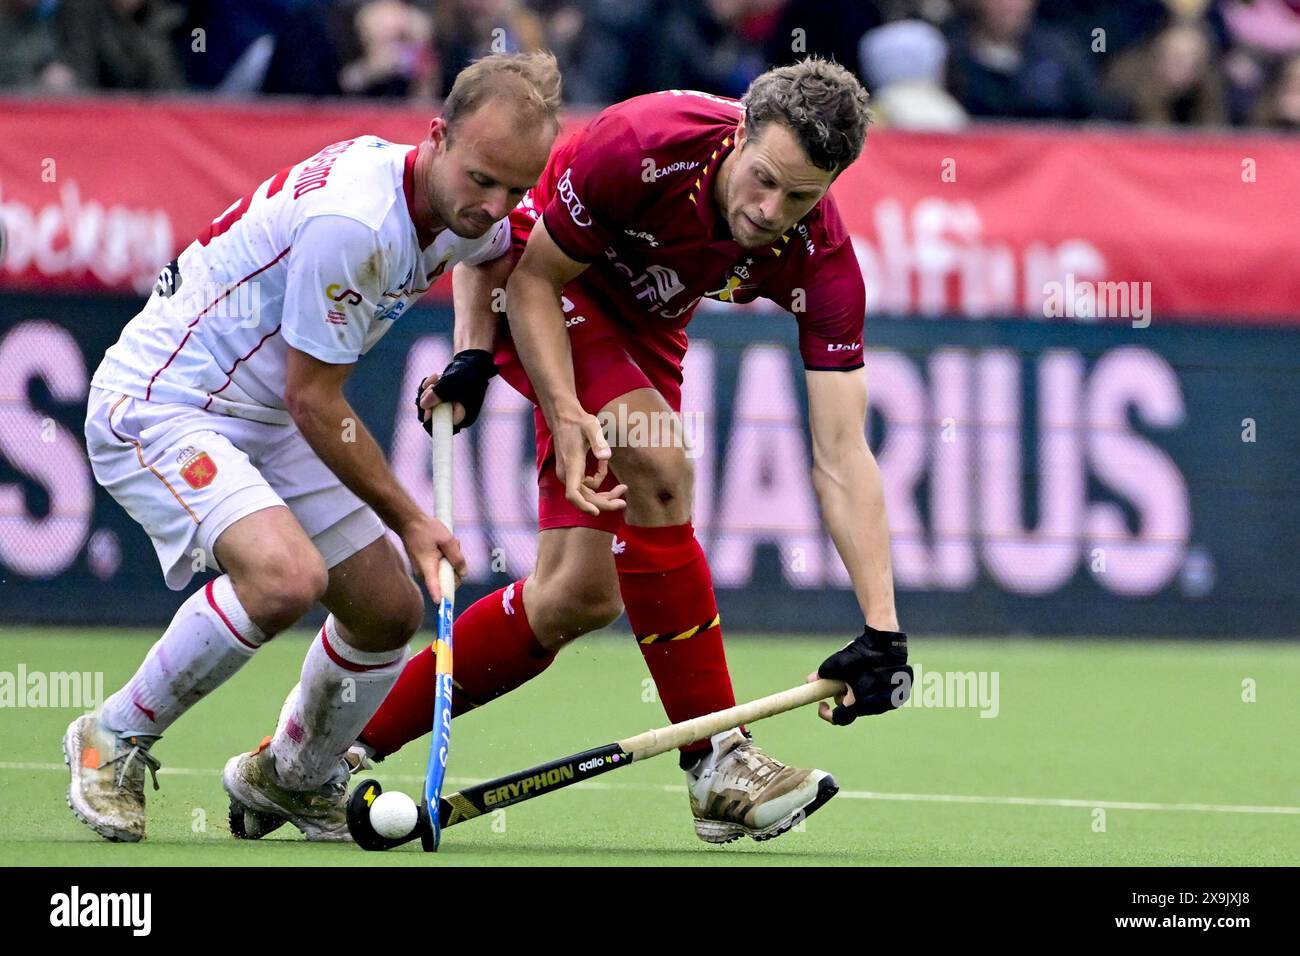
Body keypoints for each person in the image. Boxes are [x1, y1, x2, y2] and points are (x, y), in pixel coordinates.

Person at [353, 57, 914, 845]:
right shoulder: (646, 141)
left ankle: (330, 751)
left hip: (647, 331)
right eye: (763, 179)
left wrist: (882, 628)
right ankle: (717, 757)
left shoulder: (821, 258)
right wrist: (563, 406)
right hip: (545, 279)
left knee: (575, 596)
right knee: (660, 464)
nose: (769, 210)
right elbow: (538, 279)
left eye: (801, 197)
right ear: (740, 134)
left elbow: (842, 451)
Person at [66, 52, 562, 843]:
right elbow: (313, 398)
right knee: (283, 577)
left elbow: (503, 250)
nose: (493, 204)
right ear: (436, 137)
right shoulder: (356, 224)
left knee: (385, 611)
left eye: (515, 186)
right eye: (481, 180)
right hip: (164, 403)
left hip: (266, 412)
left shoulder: (457, 201)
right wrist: (411, 519)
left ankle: (290, 777)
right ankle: (113, 737)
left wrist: (471, 355)